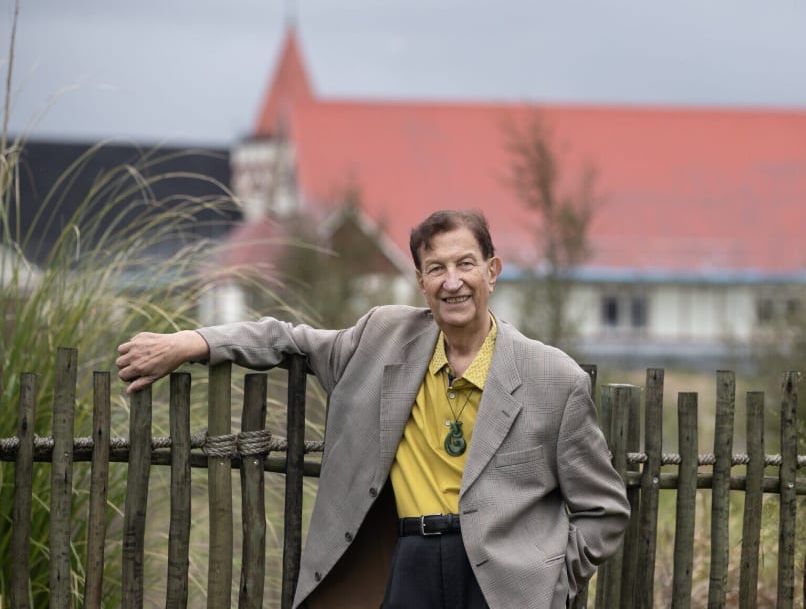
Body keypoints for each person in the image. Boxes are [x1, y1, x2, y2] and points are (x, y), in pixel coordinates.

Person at [116, 209, 630, 609]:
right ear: (421, 282)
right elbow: (286, 340)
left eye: (465, 264)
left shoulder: (553, 379)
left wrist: (547, 578)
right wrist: (192, 341)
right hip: (409, 564)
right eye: (436, 268)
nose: (452, 281)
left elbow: (603, 510)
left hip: (505, 585)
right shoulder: (381, 339)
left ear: (492, 272)